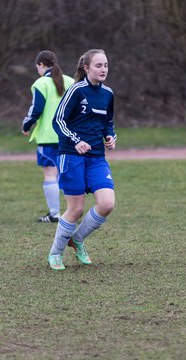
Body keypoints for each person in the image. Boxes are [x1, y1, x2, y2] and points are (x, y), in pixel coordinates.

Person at [48, 48, 117, 270]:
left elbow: (108, 122)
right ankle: (56, 253)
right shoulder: (76, 91)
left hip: (97, 156)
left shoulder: (108, 94)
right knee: (75, 209)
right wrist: (76, 140)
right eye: (98, 65)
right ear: (86, 68)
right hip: (71, 155)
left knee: (107, 204)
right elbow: (58, 121)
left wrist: (110, 136)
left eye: (105, 65)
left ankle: (76, 239)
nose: (103, 69)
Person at [22, 50, 74, 223]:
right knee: (65, 174)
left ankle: (54, 214)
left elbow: (36, 110)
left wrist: (26, 125)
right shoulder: (71, 81)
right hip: (68, 136)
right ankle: (72, 212)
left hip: (48, 137)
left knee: (50, 174)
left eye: (37, 67)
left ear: (41, 65)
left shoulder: (41, 83)